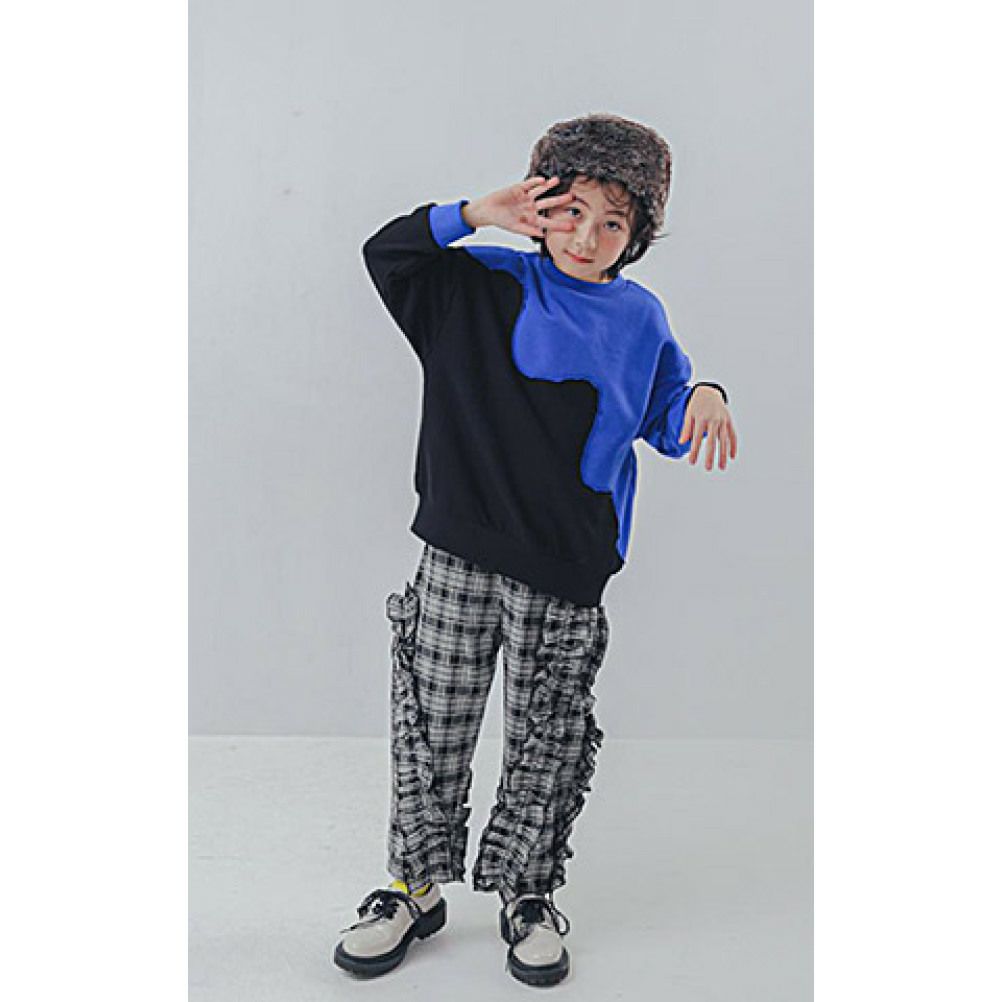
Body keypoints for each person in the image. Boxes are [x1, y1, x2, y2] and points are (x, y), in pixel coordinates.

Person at [331, 113, 738, 987]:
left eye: (614, 222)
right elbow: (387, 254)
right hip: (459, 546)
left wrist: (704, 391)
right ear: (538, 206)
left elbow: (668, 413)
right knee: (432, 718)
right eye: (571, 211)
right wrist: (473, 213)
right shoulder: (476, 282)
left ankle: (529, 891)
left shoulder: (639, 316)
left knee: (547, 733)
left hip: (566, 562)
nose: (588, 237)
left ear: (637, 236)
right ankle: (413, 886)